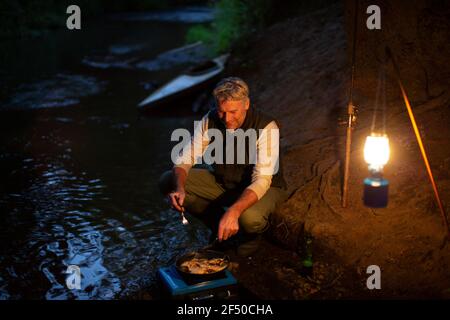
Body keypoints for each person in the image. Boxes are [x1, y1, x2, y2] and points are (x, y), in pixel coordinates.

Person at [159, 77, 287, 257]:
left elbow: (262, 180)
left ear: (246, 104)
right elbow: (185, 158)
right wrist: (179, 188)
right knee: (168, 180)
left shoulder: (266, 126)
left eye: (233, 111)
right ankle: (220, 226)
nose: (227, 119)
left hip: (264, 187)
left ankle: (251, 236)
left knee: (250, 219)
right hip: (226, 182)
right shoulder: (209, 119)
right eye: (221, 112)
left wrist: (234, 211)